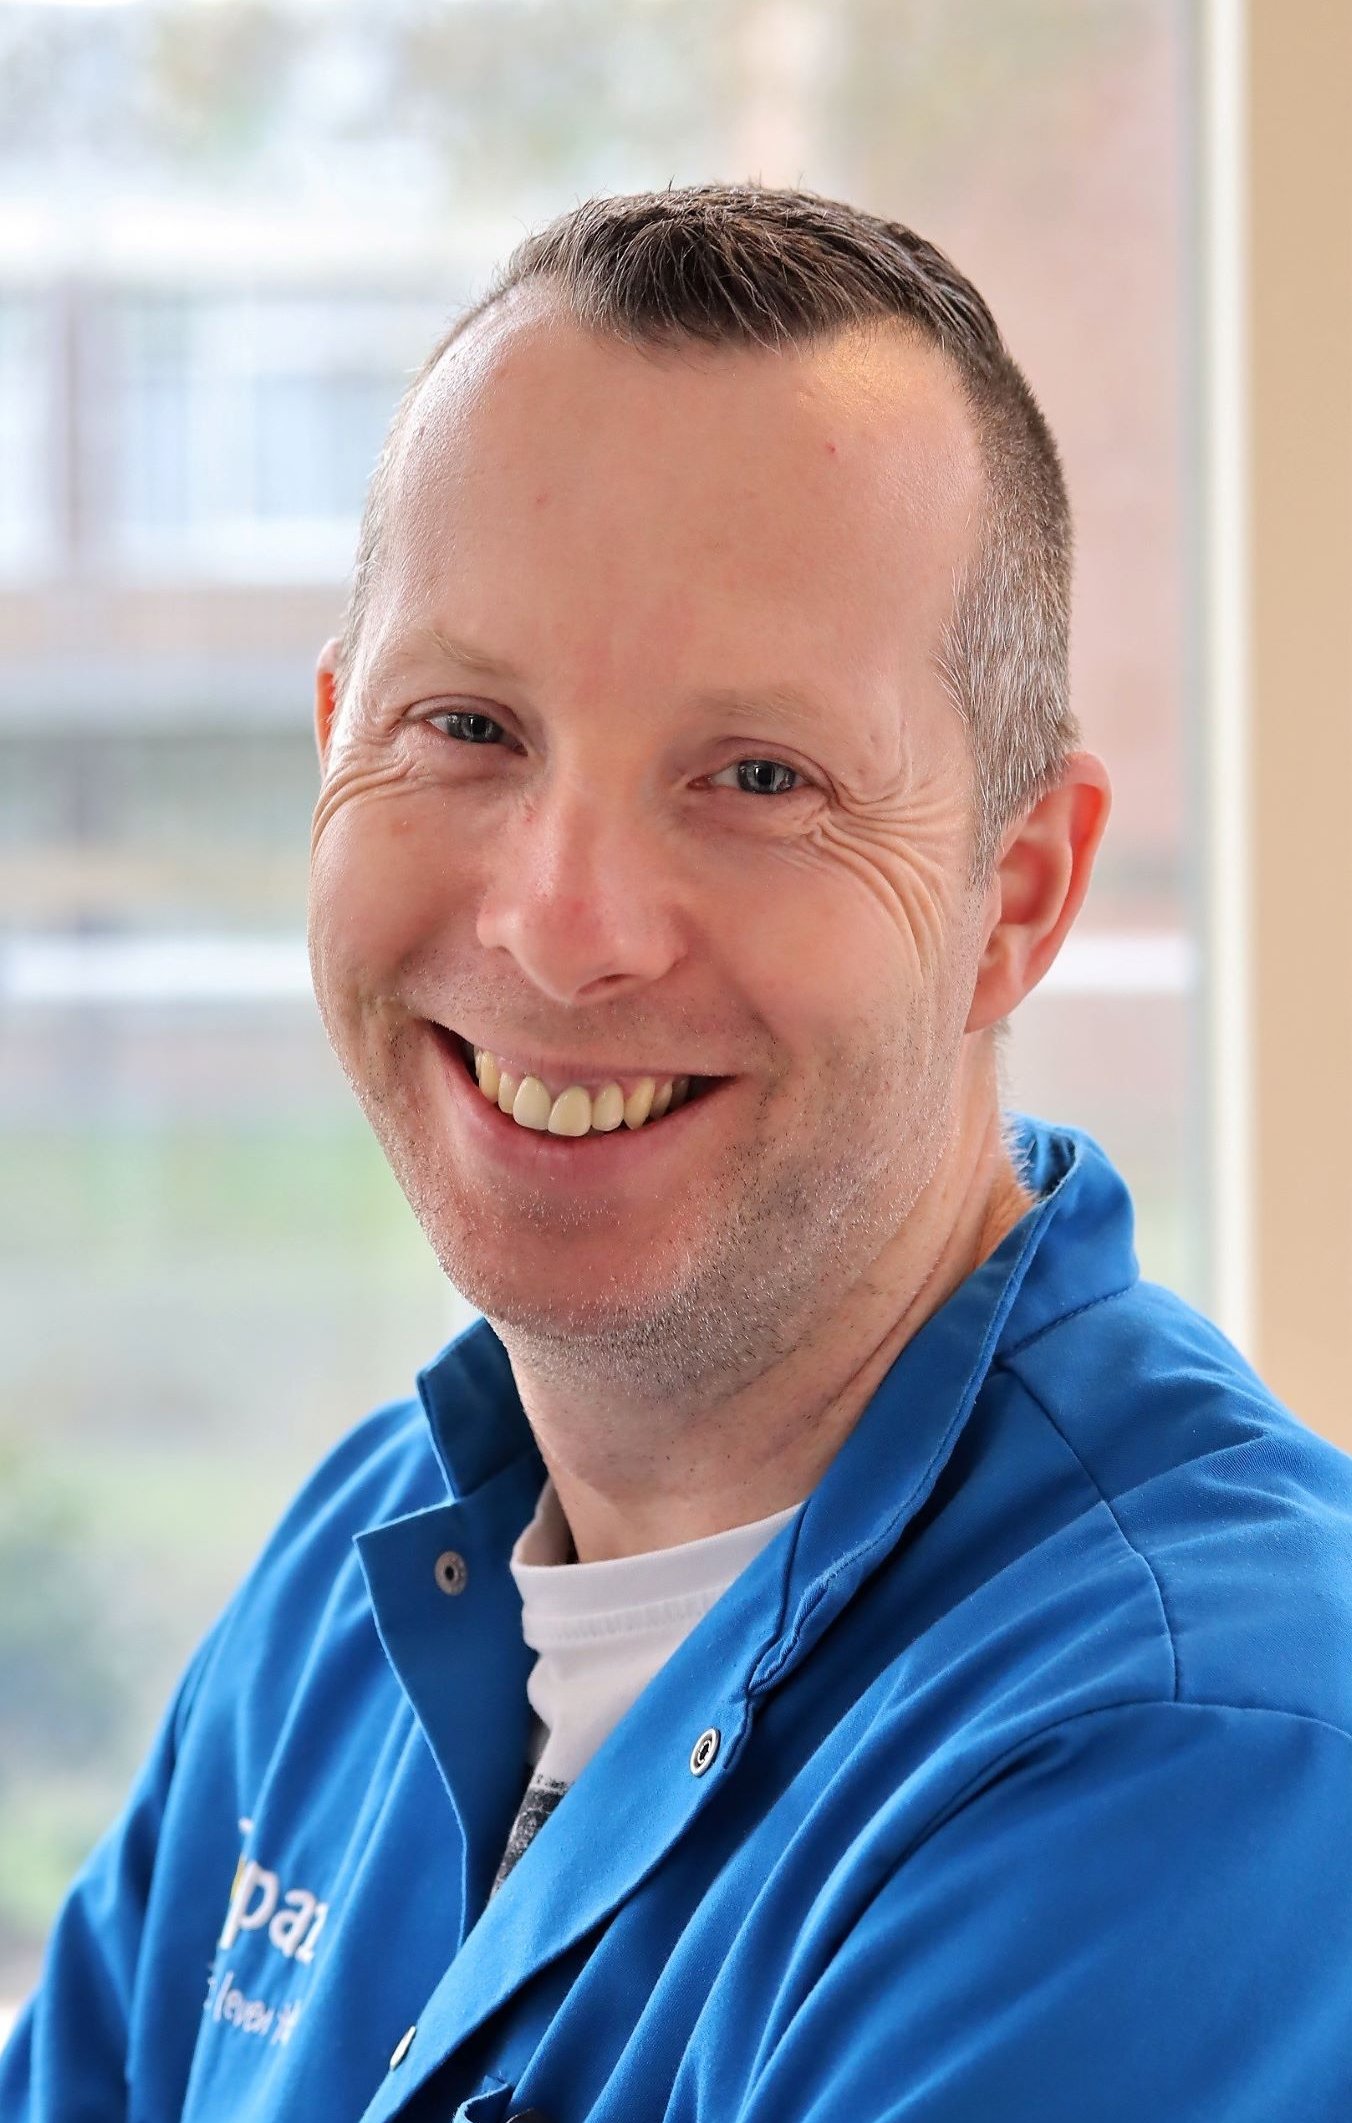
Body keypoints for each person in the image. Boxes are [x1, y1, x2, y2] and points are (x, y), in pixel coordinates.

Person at [4, 181, 1351, 2123]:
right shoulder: (353, 1588)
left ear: (1018, 896)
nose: (564, 928)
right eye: (468, 727)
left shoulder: (1195, 1762)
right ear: (332, 747)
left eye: (758, 777)